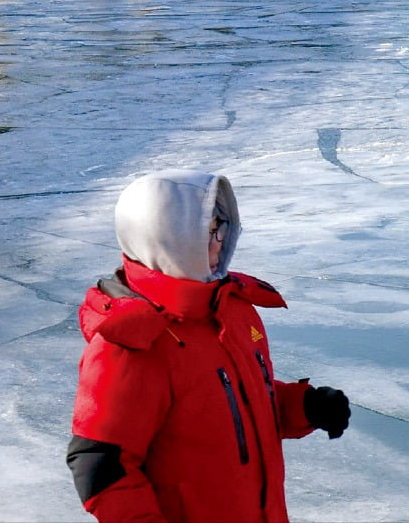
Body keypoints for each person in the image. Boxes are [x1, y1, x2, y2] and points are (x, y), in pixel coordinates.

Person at [66, 171, 350, 523]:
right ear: (165, 239)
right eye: (206, 232)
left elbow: (230, 404)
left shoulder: (233, 309)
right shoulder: (133, 344)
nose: (219, 243)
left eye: (220, 227)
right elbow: (101, 465)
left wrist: (304, 406)